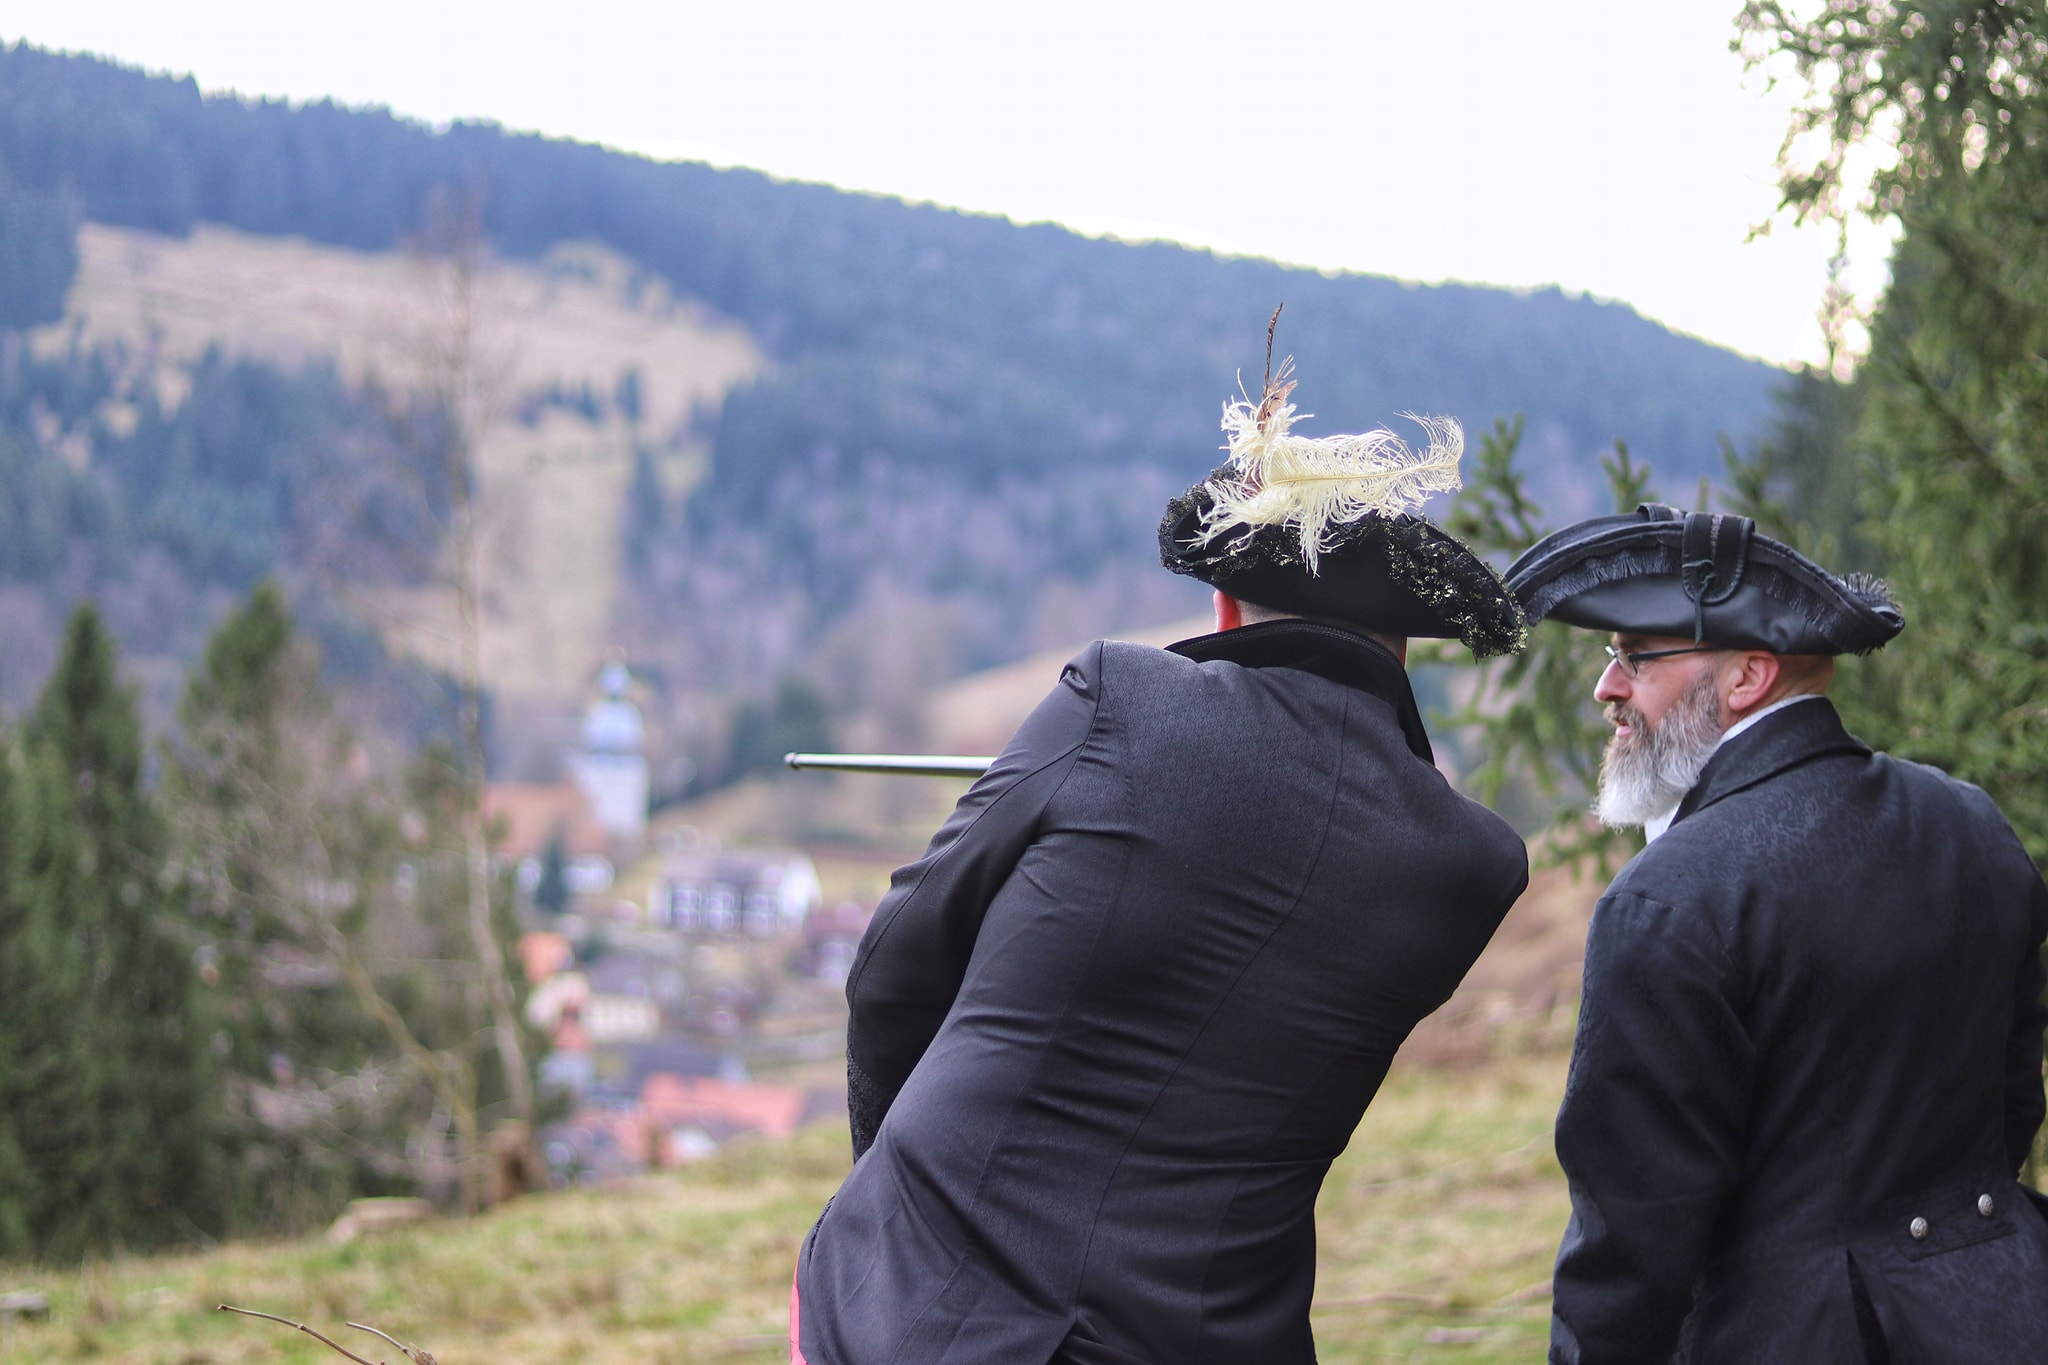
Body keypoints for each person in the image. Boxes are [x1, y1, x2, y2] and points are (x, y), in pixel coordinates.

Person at [792, 353, 1531, 1365]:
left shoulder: (1115, 700)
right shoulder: (1472, 867)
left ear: (1224, 609)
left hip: (910, 1316)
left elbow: (891, 973)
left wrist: (898, 1202)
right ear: (1404, 646)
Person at [1505, 503, 2048, 1364]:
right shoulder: (1971, 823)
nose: (1607, 687)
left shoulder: (1668, 897)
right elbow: (2012, 1108)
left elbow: (1630, 1250)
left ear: (1748, 676)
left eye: (1634, 659)